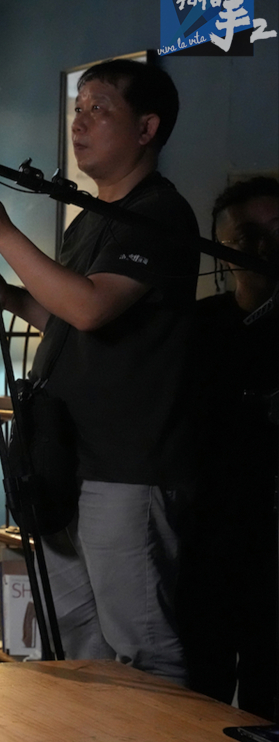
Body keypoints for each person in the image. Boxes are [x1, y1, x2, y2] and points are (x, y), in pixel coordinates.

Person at [0, 58, 197, 683]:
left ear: (147, 128)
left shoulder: (159, 213)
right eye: (77, 109)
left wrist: (0, 231)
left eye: (99, 110)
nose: (79, 124)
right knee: (75, 636)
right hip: (65, 459)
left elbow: (89, 307)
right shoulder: (89, 218)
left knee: (143, 646)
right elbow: (66, 317)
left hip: (126, 464)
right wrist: (9, 297)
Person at [179, 176, 278, 719]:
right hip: (211, 534)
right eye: (245, 237)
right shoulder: (201, 327)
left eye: (275, 229)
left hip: (271, 542)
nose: (263, 246)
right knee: (201, 689)